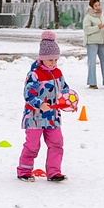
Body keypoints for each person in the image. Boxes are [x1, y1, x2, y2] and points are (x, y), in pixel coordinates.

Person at [17, 31, 75, 183]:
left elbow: (64, 89)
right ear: (42, 58)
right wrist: (40, 104)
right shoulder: (34, 74)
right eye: (50, 59)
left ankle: (54, 172)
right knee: (32, 146)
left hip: (52, 118)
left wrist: (68, 101)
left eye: (56, 59)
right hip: (34, 117)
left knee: (57, 143)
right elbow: (28, 94)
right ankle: (24, 170)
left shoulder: (58, 73)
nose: (53, 63)